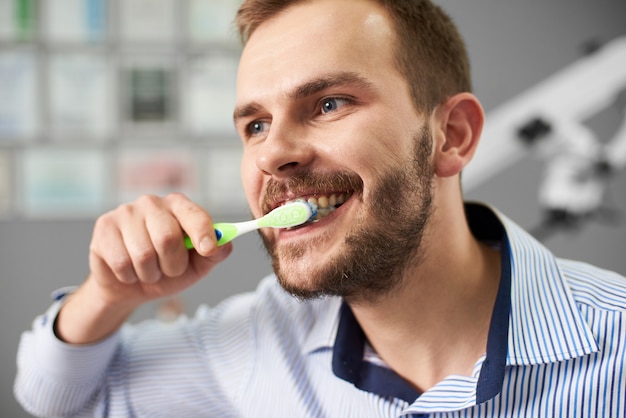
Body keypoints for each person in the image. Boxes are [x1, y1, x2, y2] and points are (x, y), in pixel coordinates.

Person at [14, 0, 626, 416]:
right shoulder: (260, 340)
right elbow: (55, 398)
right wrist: (109, 293)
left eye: (329, 103)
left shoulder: (616, 347)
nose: (273, 154)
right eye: (255, 124)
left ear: (453, 136)